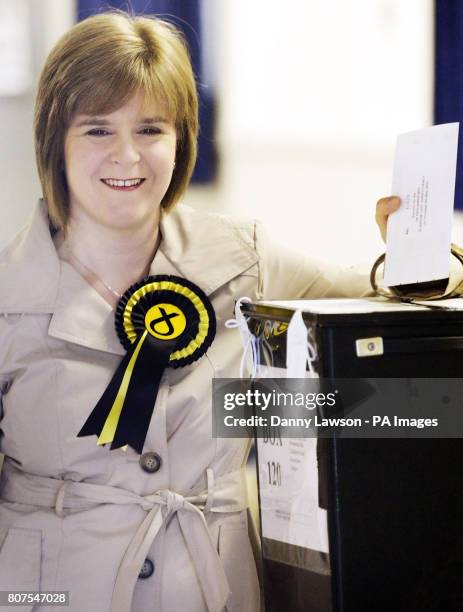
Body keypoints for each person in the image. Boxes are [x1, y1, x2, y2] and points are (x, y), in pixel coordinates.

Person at [0, 11, 386, 612]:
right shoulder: (6, 294)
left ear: (181, 139)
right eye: (98, 130)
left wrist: (413, 244)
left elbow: (381, 292)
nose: (128, 156)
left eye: (151, 129)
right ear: (55, 141)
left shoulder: (244, 260)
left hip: (216, 591)